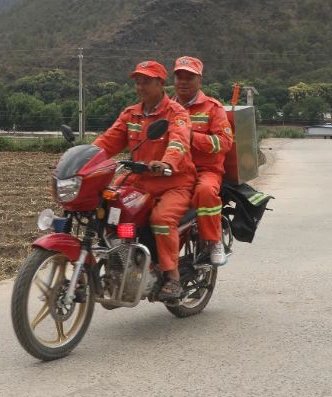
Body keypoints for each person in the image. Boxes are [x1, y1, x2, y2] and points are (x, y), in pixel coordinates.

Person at [94, 60, 196, 300]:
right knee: (104, 204)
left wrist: (167, 163)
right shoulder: (131, 114)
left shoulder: (177, 113)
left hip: (173, 182)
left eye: (146, 81)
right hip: (139, 180)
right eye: (137, 82)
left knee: (161, 219)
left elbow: (179, 141)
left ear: (161, 83)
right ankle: (116, 259)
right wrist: (81, 160)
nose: (140, 87)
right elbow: (107, 142)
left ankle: (172, 278)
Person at [171, 56, 235, 266]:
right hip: (174, 171)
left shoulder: (212, 108)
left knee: (205, 192)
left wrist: (193, 138)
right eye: (179, 76)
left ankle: (213, 241)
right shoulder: (166, 108)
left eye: (189, 77)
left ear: (199, 80)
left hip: (205, 170)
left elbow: (225, 142)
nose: (183, 81)